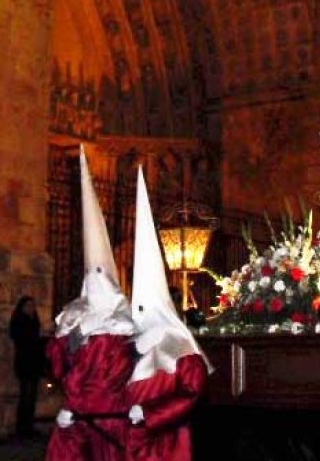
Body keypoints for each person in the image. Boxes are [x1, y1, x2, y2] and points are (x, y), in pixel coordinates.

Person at [47, 146, 136, 461]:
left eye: (101, 275)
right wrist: (66, 336)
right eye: (91, 276)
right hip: (79, 413)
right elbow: (61, 367)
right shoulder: (74, 318)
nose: (95, 279)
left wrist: (140, 404)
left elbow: (133, 369)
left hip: (110, 416)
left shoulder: (123, 328)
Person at [125, 167, 211, 461]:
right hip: (134, 437)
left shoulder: (181, 346)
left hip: (166, 440)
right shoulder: (133, 343)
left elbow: (190, 392)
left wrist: (150, 414)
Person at [10, 295, 44, 437]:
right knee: (26, 395)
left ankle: (28, 425)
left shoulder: (34, 321)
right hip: (25, 362)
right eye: (28, 306)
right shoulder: (19, 322)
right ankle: (22, 427)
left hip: (34, 363)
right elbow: (21, 339)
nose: (31, 309)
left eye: (32, 306)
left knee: (32, 396)